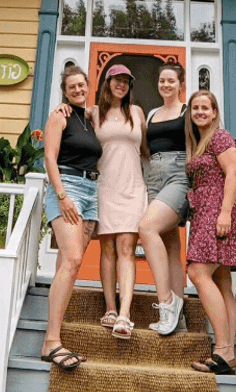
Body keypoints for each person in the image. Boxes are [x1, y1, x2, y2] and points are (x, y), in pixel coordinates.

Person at [38, 66, 103, 372]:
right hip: (68, 188)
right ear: (64, 90)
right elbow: (49, 157)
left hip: (90, 191)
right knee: (73, 260)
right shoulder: (59, 116)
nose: (77, 90)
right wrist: (62, 195)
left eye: (81, 85)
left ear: (87, 86)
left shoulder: (88, 117)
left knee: (68, 261)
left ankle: (55, 335)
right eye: (71, 87)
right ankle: (51, 341)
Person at [184, 90, 236, 375]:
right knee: (222, 282)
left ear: (214, 112)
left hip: (217, 212)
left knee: (198, 272)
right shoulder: (200, 141)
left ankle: (222, 350)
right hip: (205, 212)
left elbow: (232, 173)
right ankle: (228, 356)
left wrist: (224, 213)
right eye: (195, 108)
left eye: (205, 108)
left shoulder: (220, 137)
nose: (200, 112)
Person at [92, 65, 148, 339]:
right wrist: (62, 108)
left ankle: (125, 314)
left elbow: (150, 149)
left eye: (126, 81)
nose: (122, 85)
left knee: (127, 248)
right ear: (108, 82)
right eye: (118, 80)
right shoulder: (93, 113)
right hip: (104, 187)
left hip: (133, 187)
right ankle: (110, 308)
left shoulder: (137, 113)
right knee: (108, 250)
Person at [139, 62, 190, 335]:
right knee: (170, 244)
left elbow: (208, 133)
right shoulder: (152, 113)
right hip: (153, 177)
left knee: (147, 228)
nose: (166, 85)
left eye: (171, 81)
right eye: (162, 81)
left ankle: (166, 302)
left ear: (181, 84)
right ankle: (178, 316)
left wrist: (229, 149)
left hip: (178, 175)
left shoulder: (187, 111)